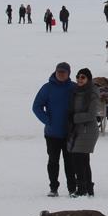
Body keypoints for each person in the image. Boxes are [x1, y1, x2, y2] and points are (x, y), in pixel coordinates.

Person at [32, 62, 77, 197]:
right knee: (53, 161)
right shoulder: (47, 88)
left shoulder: (74, 88)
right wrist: (48, 121)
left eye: (63, 72)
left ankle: (72, 189)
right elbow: (36, 107)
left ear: (68, 73)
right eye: (59, 72)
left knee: (70, 163)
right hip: (52, 134)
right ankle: (53, 188)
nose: (61, 74)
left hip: (70, 133)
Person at [67, 68, 100, 197]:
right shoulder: (76, 91)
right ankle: (88, 189)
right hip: (78, 129)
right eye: (78, 77)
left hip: (88, 130)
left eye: (83, 77)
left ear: (88, 79)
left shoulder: (92, 93)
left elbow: (92, 114)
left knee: (79, 159)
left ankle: (82, 189)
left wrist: (74, 118)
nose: (80, 79)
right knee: (82, 160)